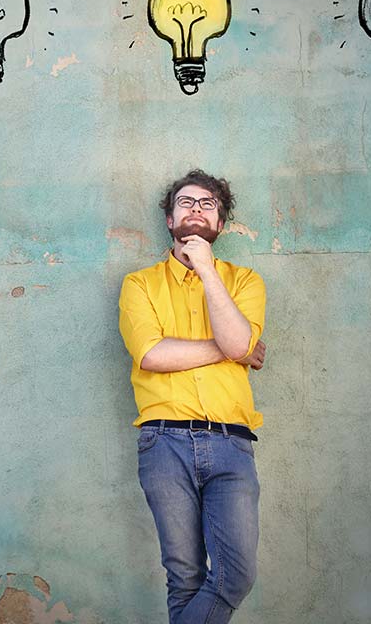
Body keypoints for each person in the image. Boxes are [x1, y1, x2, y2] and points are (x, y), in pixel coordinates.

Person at [117, 169, 267, 623]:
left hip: (231, 442)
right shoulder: (139, 284)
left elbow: (238, 343)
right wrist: (232, 350)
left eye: (207, 204)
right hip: (164, 442)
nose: (196, 209)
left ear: (220, 223)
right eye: (186, 202)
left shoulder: (244, 282)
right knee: (183, 577)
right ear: (170, 219)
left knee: (235, 575)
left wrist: (205, 269)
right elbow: (152, 354)